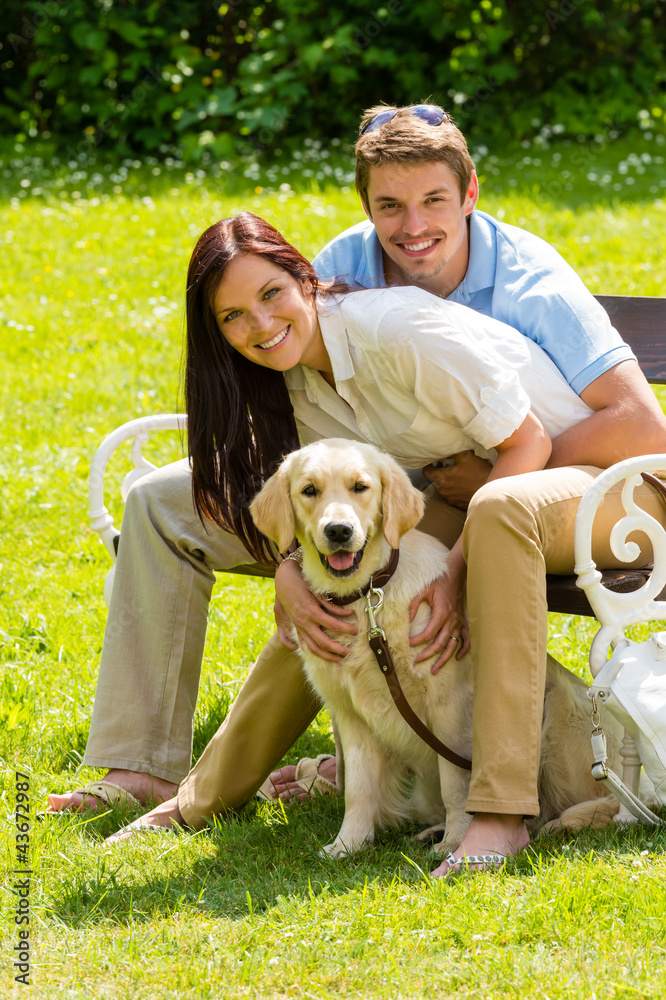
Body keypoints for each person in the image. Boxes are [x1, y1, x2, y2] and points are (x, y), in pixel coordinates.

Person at [49, 104, 666, 872]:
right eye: (389, 207)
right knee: (214, 529)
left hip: (582, 482)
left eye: (434, 201)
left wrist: (476, 493)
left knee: (445, 538)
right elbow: (300, 419)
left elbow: (633, 427)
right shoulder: (330, 277)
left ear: (471, 192)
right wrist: (287, 559)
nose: (411, 228)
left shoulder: (518, 287)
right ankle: (155, 775)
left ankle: (492, 807)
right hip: (414, 487)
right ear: (366, 211)